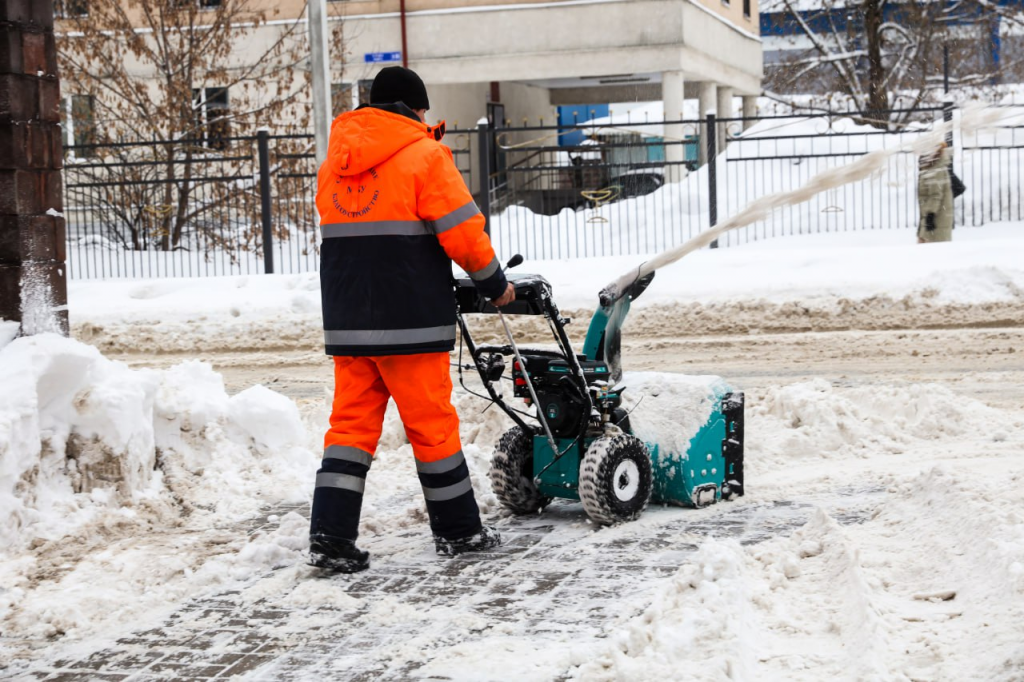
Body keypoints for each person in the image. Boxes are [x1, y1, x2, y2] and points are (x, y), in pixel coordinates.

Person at [308, 66, 516, 573]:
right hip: (411, 326)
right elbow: (463, 234)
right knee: (432, 430)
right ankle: (460, 533)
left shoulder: (333, 165)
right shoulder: (425, 156)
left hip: (349, 324)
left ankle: (330, 539)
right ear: (415, 109)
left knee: (349, 430)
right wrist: (496, 286)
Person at [917, 142, 955, 244]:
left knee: (931, 252)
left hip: (936, 218)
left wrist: (930, 215)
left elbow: (936, 195)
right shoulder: (932, 167)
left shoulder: (935, 170)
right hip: (934, 216)